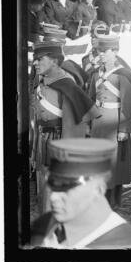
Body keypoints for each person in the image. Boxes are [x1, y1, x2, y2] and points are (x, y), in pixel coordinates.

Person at [30, 138, 131, 248]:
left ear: (98, 189)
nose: (53, 197)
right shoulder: (44, 227)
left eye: (67, 187)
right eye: (52, 185)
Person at [31, 41, 99, 212]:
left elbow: (73, 125)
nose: (35, 63)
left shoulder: (66, 84)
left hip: (58, 141)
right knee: (44, 187)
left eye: (40, 59)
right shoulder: (42, 81)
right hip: (42, 140)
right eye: (34, 59)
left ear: (54, 60)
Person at [87, 36, 131, 208]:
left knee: (114, 163)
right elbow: (90, 99)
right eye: (98, 51)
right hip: (98, 122)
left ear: (115, 52)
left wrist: (125, 129)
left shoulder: (123, 74)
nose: (100, 54)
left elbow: (129, 104)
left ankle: (113, 200)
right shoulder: (95, 73)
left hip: (114, 121)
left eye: (104, 51)